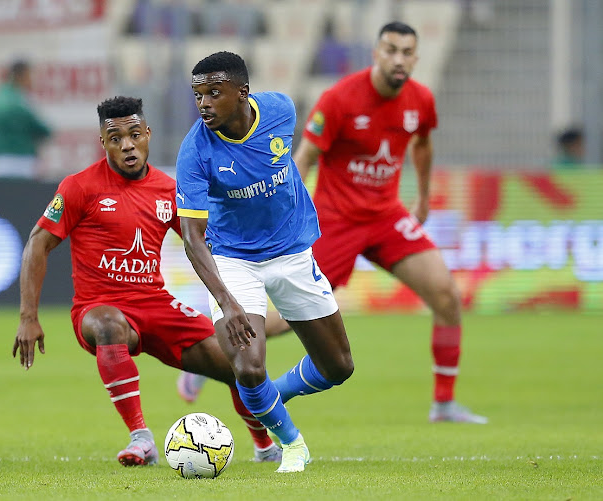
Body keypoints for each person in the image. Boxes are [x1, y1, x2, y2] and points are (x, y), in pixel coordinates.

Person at [178, 23, 488, 425]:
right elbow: (300, 157)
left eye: (407, 52)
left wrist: (425, 197)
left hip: (386, 214)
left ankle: (444, 404)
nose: (398, 59)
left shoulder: (421, 100)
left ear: (416, 58)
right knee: (291, 318)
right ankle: (219, 346)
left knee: (446, 294)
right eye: (390, 49)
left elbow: (423, 143)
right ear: (376, 53)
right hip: (337, 217)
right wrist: (284, 214)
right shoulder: (341, 98)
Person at [12, 96, 283, 468]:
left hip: (156, 304)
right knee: (109, 325)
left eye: (134, 134)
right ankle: (141, 437)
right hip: (99, 306)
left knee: (239, 363)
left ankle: (264, 446)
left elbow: (201, 244)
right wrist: (29, 317)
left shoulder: (168, 190)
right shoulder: (79, 188)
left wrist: (234, 293)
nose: (127, 144)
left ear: (148, 135)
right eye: (116, 137)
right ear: (103, 142)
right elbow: (37, 245)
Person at [175, 51, 355, 473]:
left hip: (293, 252)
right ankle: (291, 444)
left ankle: (270, 397)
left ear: (243, 93)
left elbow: (285, 169)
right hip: (233, 260)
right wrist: (227, 300)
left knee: (339, 367)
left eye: (213, 93)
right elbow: (191, 238)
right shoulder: (194, 151)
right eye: (197, 94)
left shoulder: (280, 111)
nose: (203, 103)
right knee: (248, 365)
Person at [0, 59, 52, 180]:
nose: (32, 80)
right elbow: (42, 129)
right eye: (29, 75)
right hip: (20, 161)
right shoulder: (19, 100)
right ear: (21, 75)